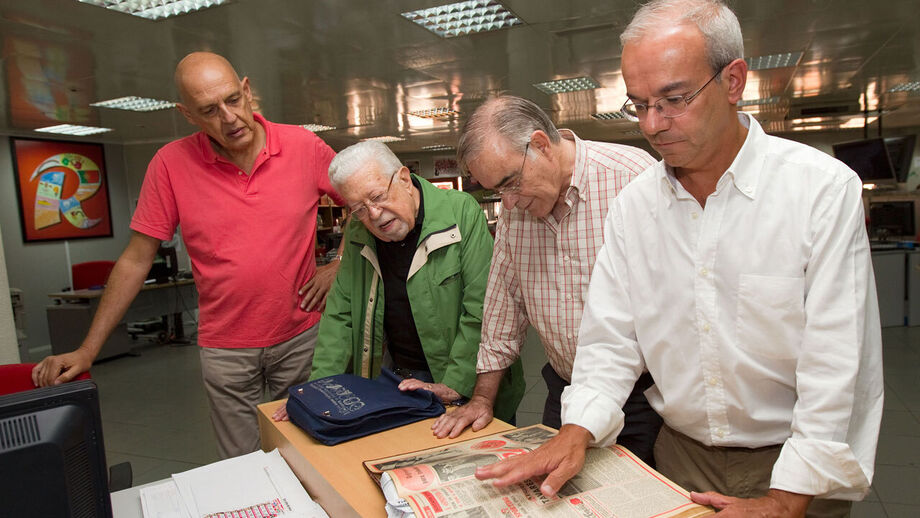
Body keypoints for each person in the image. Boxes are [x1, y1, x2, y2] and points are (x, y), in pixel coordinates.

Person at [474, 2, 884, 517]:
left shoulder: (819, 190)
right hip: (677, 456)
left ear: (733, 81)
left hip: (792, 464)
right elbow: (610, 339)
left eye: (673, 99)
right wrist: (577, 430)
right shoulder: (635, 205)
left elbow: (838, 363)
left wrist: (784, 500)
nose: (652, 124)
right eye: (638, 104)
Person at [32, 52, 345, 458]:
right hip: (226, 349)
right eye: (209, 110)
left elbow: (358, 199)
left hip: (303, 337)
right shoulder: (169, 164)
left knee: (313, 453)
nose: (230, 118)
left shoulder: (303, 145)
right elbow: (136, 258)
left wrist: (338, 262)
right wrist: (88, 349)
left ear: (248, 90)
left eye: (233, 100)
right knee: (243, 466)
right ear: (188, 115)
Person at [433, 95, 663, 466]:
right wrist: (482, 400)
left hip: (642, 396)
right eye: (497, 191)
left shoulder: (633, 177)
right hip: (564, 391)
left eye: (511, 183)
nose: (507, 204)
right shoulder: (517, 210)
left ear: (541, 144)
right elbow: (503, 306)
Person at [275, 141, 524, 423]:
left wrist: (455, 384)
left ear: (404, 179)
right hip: (401, 383)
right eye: (359, 209)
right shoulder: (359, 232)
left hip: (470, 378)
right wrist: (316, 392)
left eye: (378, 196)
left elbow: (482, 309)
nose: (374, 214)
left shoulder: (461, 213)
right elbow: (339, 319)